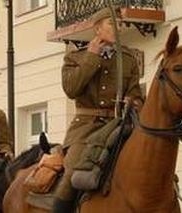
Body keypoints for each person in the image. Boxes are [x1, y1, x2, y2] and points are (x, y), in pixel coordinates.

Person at [52, 8, 144, 212]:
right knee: (71, 173)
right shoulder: (75, 58)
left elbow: (136, 93)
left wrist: (133, 100)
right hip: (86, 128)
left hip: (119, 126)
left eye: (120, 25)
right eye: (113, 24)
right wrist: (92, 57)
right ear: (97, 28)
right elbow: (71, 89)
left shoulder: (128, 59)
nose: (118, 28)